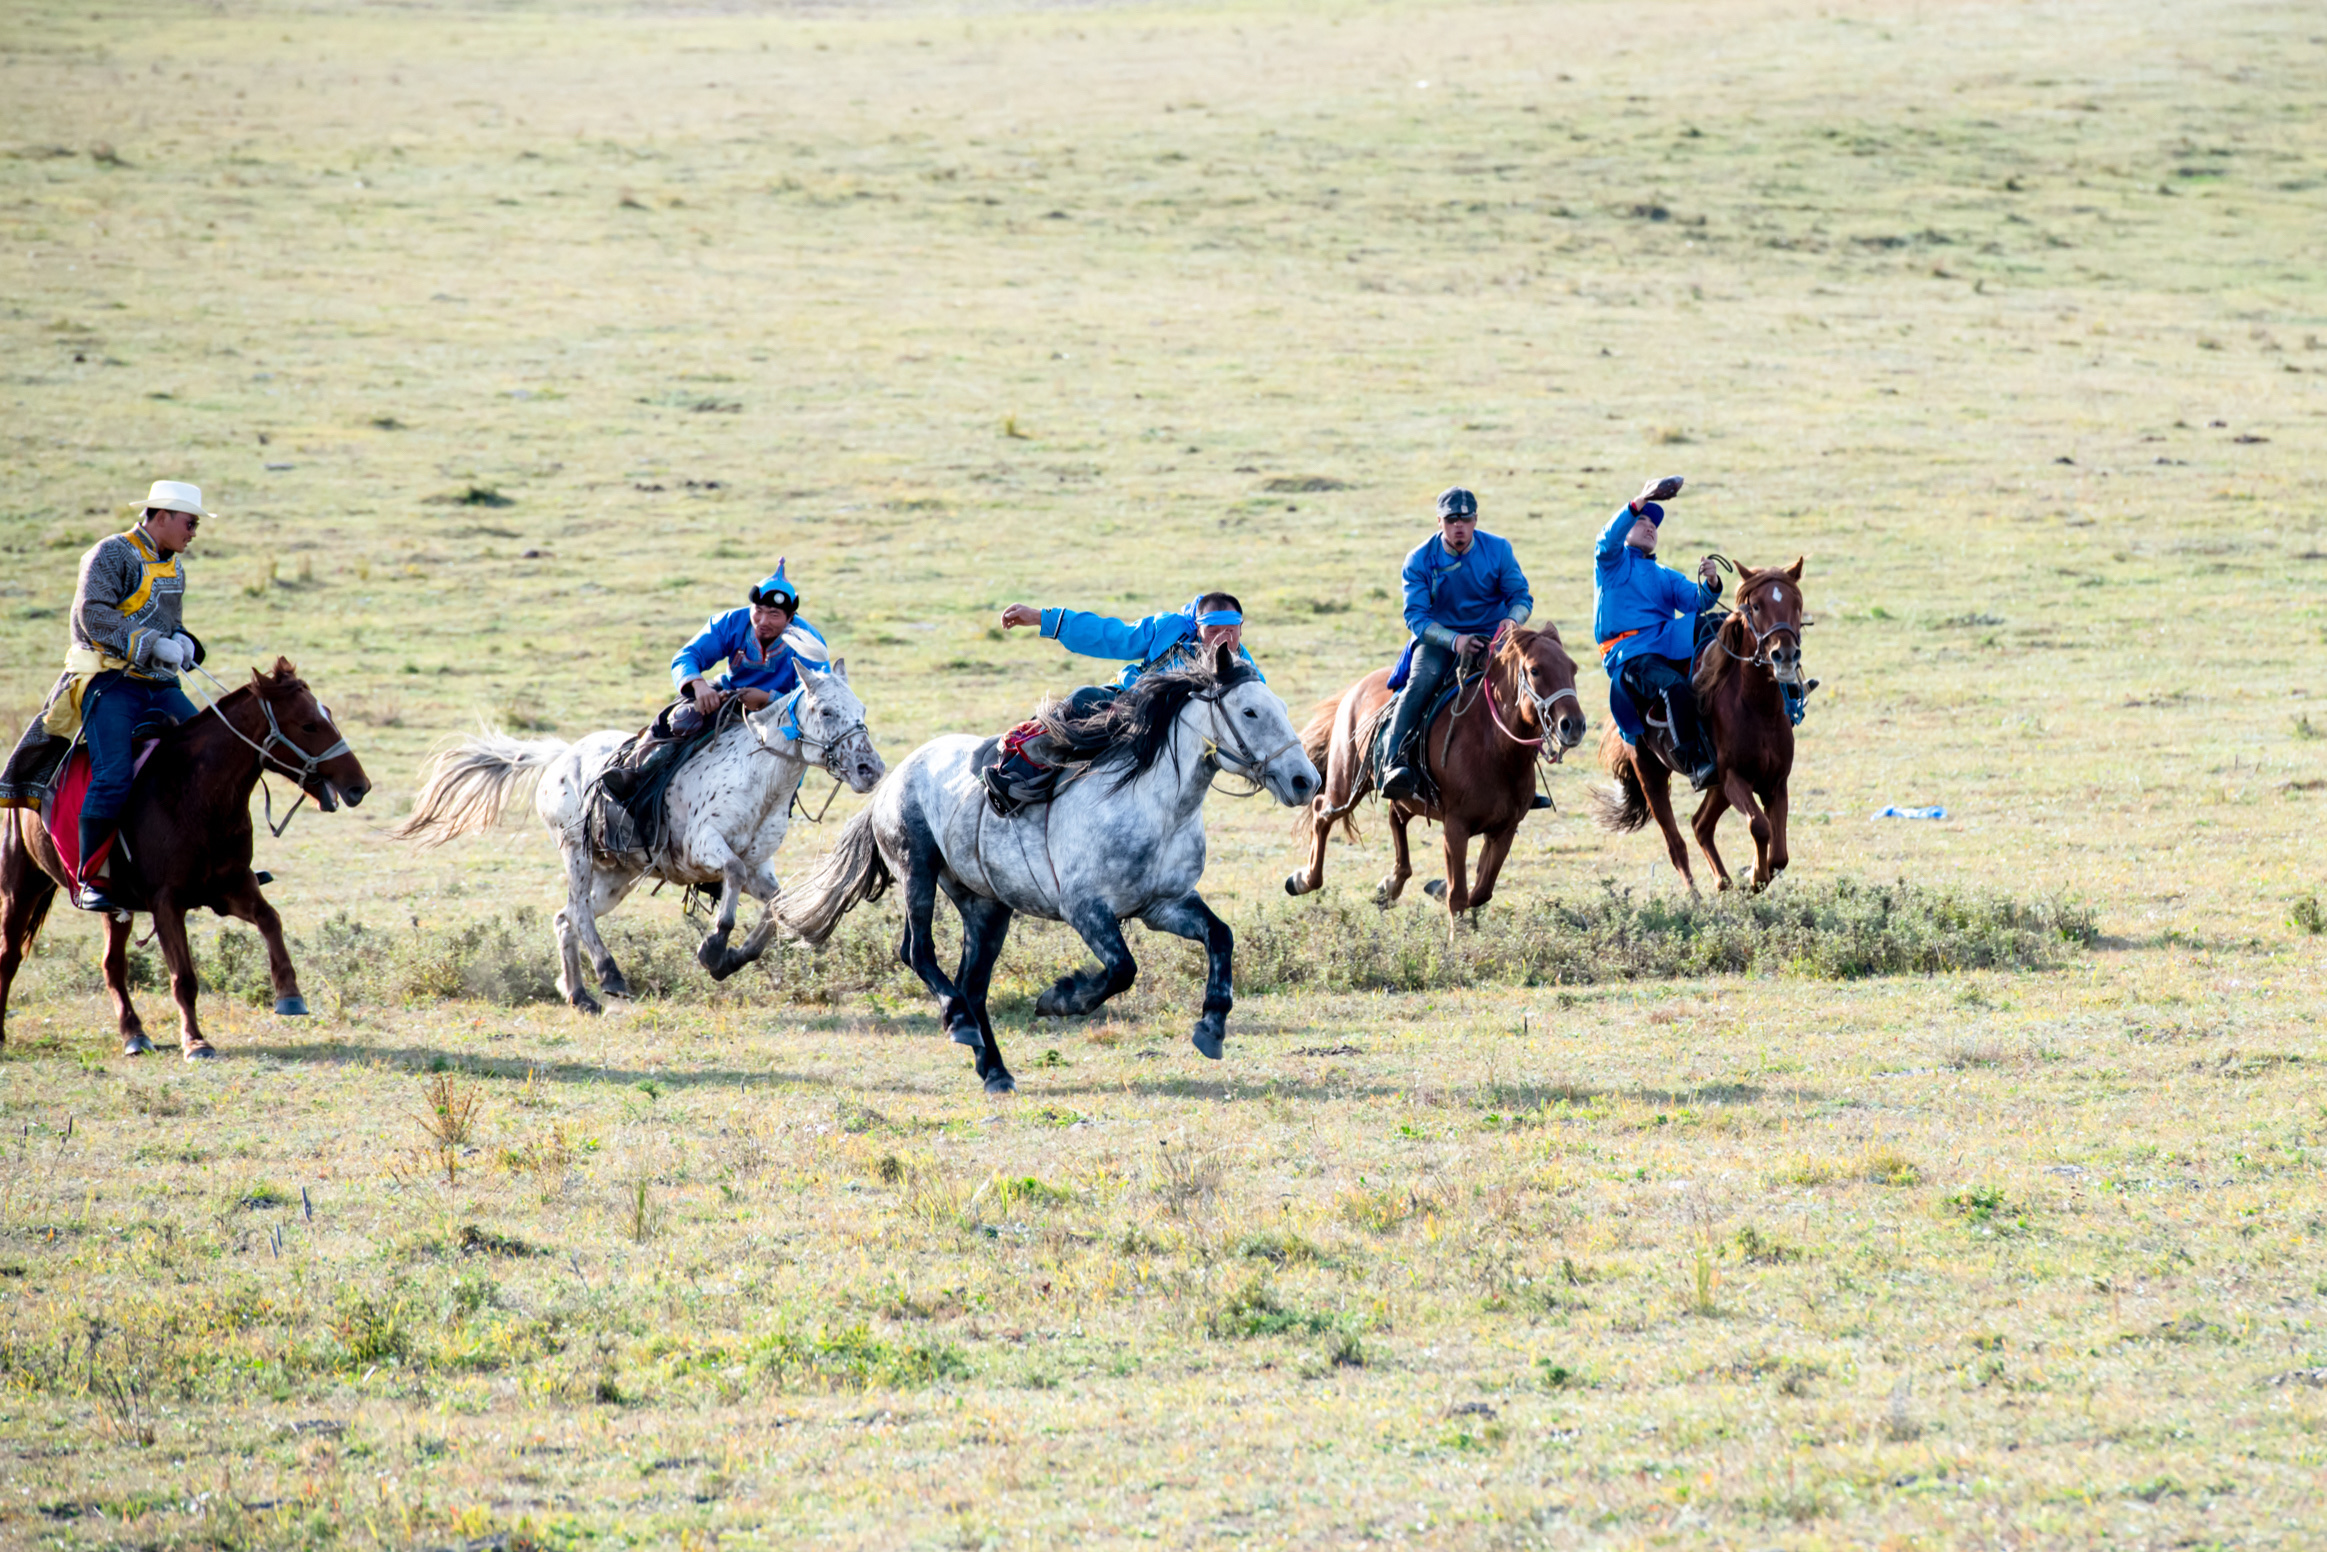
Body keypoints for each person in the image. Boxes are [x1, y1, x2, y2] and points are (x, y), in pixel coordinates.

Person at [0, 481, 210, 911]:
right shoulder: (110, 553)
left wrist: (183, 641)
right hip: (110, 684)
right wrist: (151, 642)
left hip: (158, 685)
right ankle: (92, 877)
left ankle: (215, 865)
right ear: (162, 516)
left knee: (207, 756)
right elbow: (93, 614)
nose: (194, 532)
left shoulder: (175, 567)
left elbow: (171, 621)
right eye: (190, 523)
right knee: (113, 774)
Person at [984, 591, 1256, 812]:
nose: (1223, 639)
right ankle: (1016, 773)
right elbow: (1112, 636)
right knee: (1082, 699)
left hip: (1179, 740)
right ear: (1197, 628)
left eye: (1231, 631)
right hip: (1129, 703)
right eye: (1213, 631)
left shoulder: (1245, 674)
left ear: (1241, 630)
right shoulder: (1169, 629)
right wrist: (1042, 618)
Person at [598, 561, 829, 811]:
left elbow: (817, 693)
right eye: (758, 610)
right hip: (729, 695)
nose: (763, 620)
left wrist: (769, 699)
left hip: (783, 714)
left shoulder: (807, 640)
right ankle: (633, 772)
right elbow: (688, 656)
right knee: (680, 718)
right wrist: (698, 685)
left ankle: (781, 805)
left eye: (774, 615)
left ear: (790, 617)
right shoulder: (731, 622)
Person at [1379, 487, 1533, 801]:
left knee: (1527, 684)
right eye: (1451, 520)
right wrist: (1456, 640)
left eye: (1465, 519)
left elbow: (1521, 596)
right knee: (1420, 682)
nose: (1458, 526)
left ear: (1475, 520)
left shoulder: (1499, 550)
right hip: (1439, 640)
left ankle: (1528, 775)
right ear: (1439, 522)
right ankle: (1393, 762)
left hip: (1493, 640)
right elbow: (1416, 618)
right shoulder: (1419, 559)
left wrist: (1513, 620)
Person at [1592, 474, 1723, 790]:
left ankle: (1780, 687)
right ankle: (1694, 761)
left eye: (1654, 525)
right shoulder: (1611, 562)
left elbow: (1696, 601)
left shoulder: (1665, 574)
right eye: (1643, 522)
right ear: (1628, 528)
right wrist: (1641, 500)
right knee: (1675, 687)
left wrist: (1712, 582)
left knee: (1723, 625)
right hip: (1630, 653)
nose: (1651, 527)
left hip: (1665, 640)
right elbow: (1606, 539)